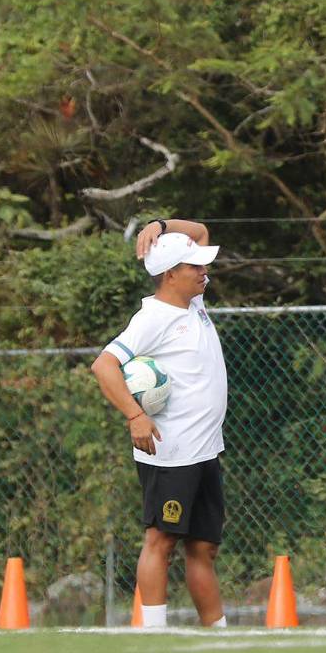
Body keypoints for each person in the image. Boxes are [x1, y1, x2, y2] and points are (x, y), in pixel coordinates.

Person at [91, 218, 228, 629]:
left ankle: (218, 637)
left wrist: (162, 224)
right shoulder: (152, 318)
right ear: (170, 275)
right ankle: (153, 635)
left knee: (203, 548)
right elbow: (104, 366)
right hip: (171, 452)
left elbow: (200, 232)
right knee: (161, 540)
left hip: (205, 450)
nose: (204, 271)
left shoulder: (194, 302)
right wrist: (136, 415)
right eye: (195, 267)